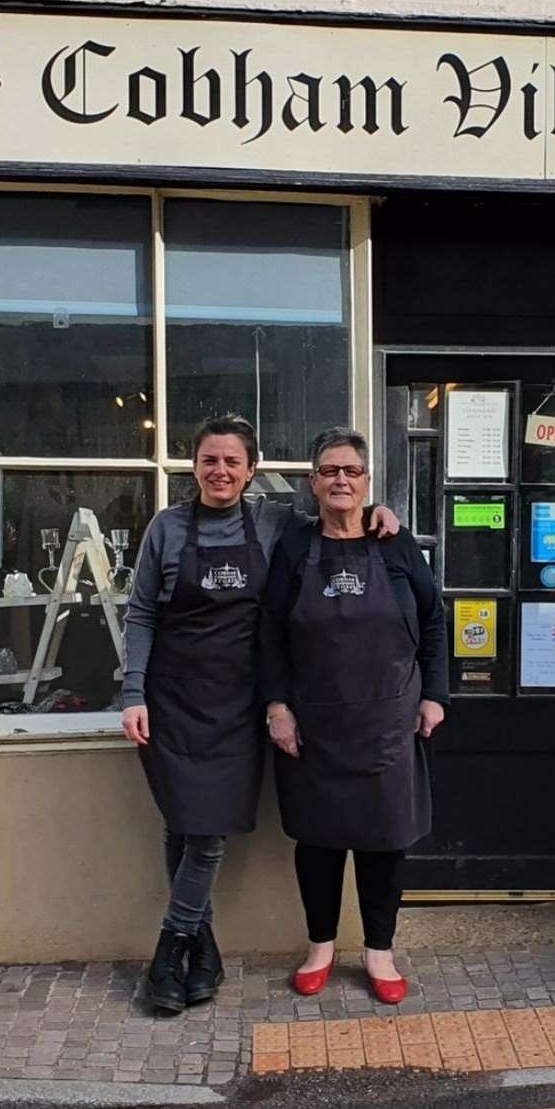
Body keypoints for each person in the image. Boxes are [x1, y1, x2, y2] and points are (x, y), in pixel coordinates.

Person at [121, 414, 399, 1013]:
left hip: (239, 703)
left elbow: (339, 512)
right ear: (194, 465)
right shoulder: (166, 528)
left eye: (232, 462)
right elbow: (141, 613)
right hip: (172, 699)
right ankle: (202, 948)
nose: (220, 471)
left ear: (252, 470)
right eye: (209, 460)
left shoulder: (275, 523)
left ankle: (172, 946)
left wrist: (385, 514)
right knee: (184, 826)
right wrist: (133, 692)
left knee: (207, 831)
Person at [261, 427, 448, 1005]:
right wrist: (277, 706)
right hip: (314, 725)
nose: (341, 480)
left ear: (367, 482)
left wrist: (435, 694)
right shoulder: (294, 545)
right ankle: (320, 947)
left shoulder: (395, 543)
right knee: (318, 842)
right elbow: (268, 635)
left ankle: (379, 952)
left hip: (387, 721)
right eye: (329, 471)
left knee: (384, 841)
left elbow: (435, 619)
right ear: (312, 483)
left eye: (352, 471)